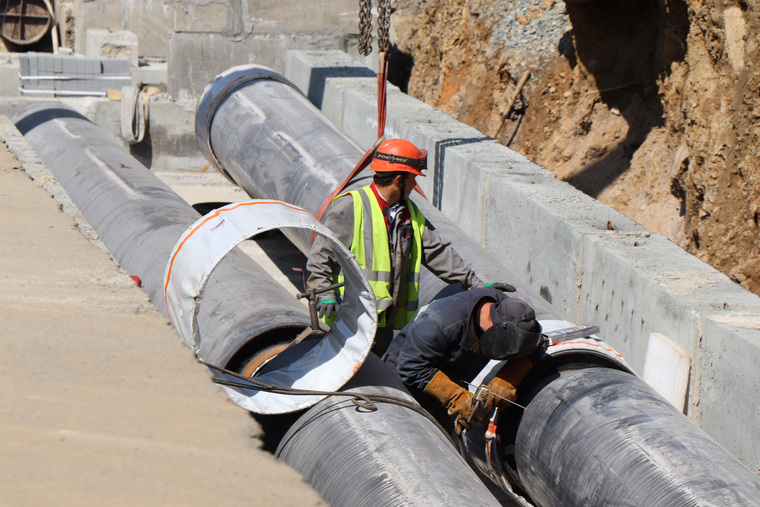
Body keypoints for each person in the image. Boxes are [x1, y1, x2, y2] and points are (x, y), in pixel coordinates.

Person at [306, 138, 515, 354]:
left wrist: (477, 284)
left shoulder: (408, 213)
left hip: (384, 321)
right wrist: (323, 293)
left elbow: (437, 252)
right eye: (413, 179)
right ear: (399, 179)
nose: (415, 185)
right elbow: (322, 253)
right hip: (349, 317)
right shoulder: (352, 205)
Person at [383, 287, 543, 433]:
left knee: (441, 439)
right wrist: (455, 397)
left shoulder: (509, 311)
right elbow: (410, 367)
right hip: (401, 384)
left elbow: (538, 346)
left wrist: (509, 378)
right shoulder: (439, 323)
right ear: (496, 331)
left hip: (447, 379)